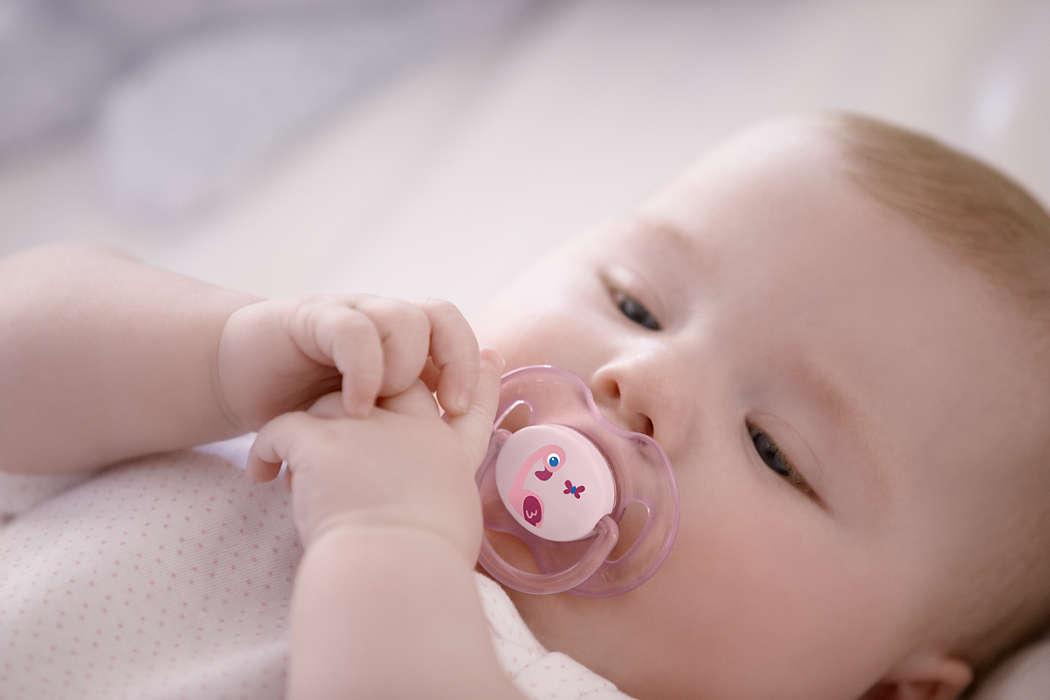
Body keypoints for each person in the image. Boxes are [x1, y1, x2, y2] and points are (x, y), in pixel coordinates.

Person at [2, 112, 1049, 699]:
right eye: (634, 301)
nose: (648, 379)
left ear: (887, 693)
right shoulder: (326, 404)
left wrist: (390, 541)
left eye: (774, 449)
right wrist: (218, 354)